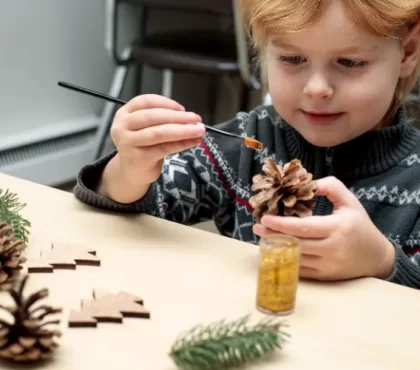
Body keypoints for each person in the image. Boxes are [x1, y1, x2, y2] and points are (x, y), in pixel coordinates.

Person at [74, 0, 420, 289]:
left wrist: (382, 262)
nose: (316, 88)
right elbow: (136, 214)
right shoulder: (243, 145)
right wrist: (129, 170)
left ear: (407, 51)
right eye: (292, 59)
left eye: (350, 62)